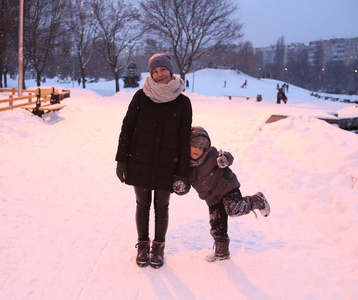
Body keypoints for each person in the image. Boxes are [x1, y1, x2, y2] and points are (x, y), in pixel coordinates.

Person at [115, 52, 193, 269]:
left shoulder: (183, 102)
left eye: (163, 70)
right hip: (139, 160)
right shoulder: (141, 96)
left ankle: (158, 247)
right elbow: (127, 128)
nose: (159, 75)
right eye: (155, 71)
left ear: (170, 70)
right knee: (142, 204)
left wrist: (182, 172)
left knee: (162, 206)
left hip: (168, 162)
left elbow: (184, 138)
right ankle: (142, 244)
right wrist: (121, 160)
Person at [172, 126, 270, 262]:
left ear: (205, 149)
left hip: (227, 187)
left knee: (234, 209)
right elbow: (185, 186)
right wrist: (180, 187)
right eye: (194, 146)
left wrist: (225, 160)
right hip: (211, 199)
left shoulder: (212, 155)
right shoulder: (184, 166)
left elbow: (229, 157)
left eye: (201, 148)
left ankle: (257, 200)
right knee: (217, 224)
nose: (197, 150)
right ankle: (222, 253)